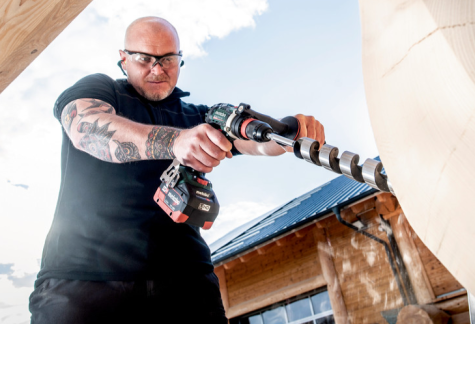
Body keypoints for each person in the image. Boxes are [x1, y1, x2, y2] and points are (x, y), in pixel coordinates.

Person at [29, 17, 325, 323]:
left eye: (168, 59)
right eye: (144, 59)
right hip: (83, 282)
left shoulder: (199, 117)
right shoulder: (101, 90)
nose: (157, 70)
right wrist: (175, 141)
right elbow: (85, 128)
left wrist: (288, 133)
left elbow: (257, 145)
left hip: (186, 282)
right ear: (124, 59)